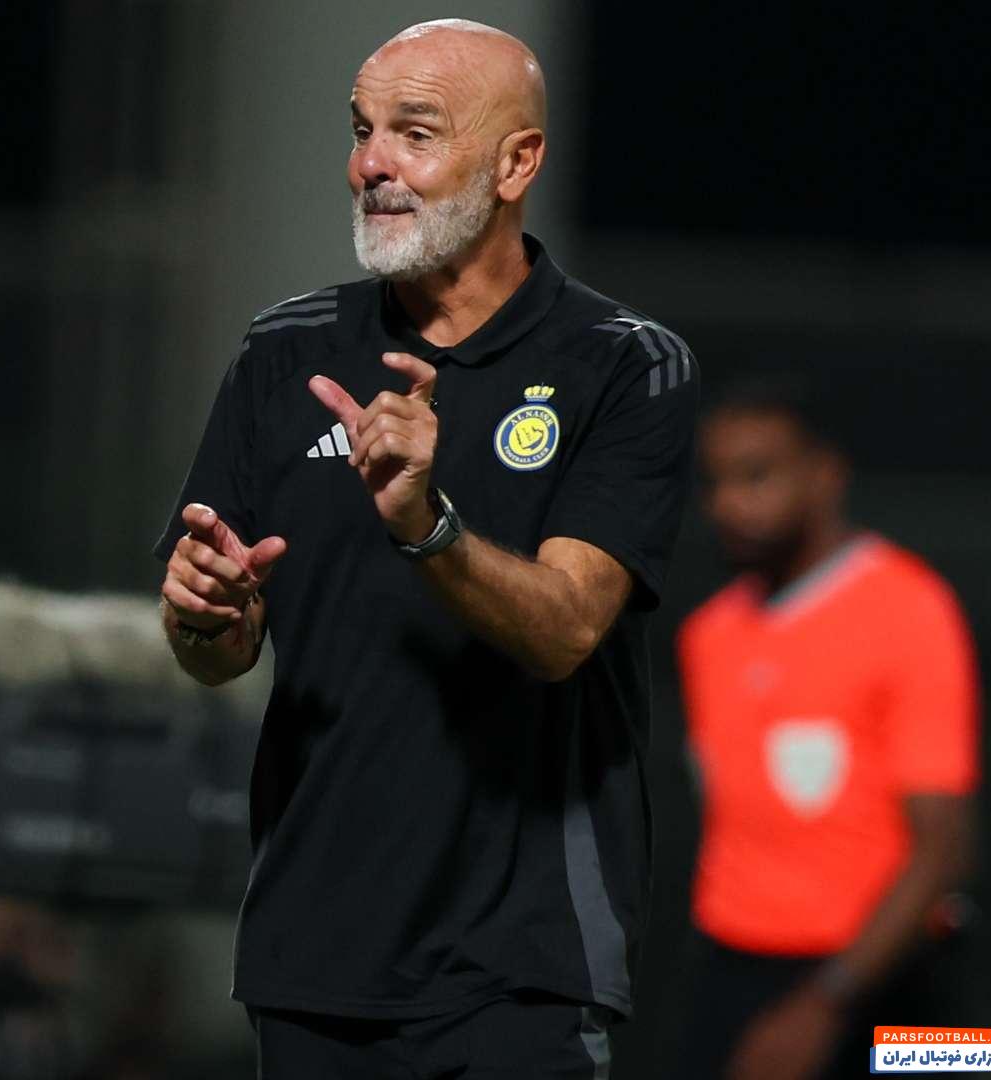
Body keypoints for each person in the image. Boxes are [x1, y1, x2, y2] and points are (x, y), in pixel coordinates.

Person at [154, 18, 698, 1079]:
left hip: (524, 959)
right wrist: (206, 615)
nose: (372, 164)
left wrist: (426, 525)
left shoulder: (623, 366)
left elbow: (565, 631)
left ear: (516, 163)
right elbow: (215, 652)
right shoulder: (285, 351)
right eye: (361, 130)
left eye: (415, 132)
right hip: (312, 950)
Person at [672, 383, 979, 1080]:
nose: (729, 503)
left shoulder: (911, 610)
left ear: (824, 473)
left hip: (880, 979)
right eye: (716, 482)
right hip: (734, 974)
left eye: (757, 476)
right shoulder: (709, 635)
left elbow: (943, 848)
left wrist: (824, 1005)